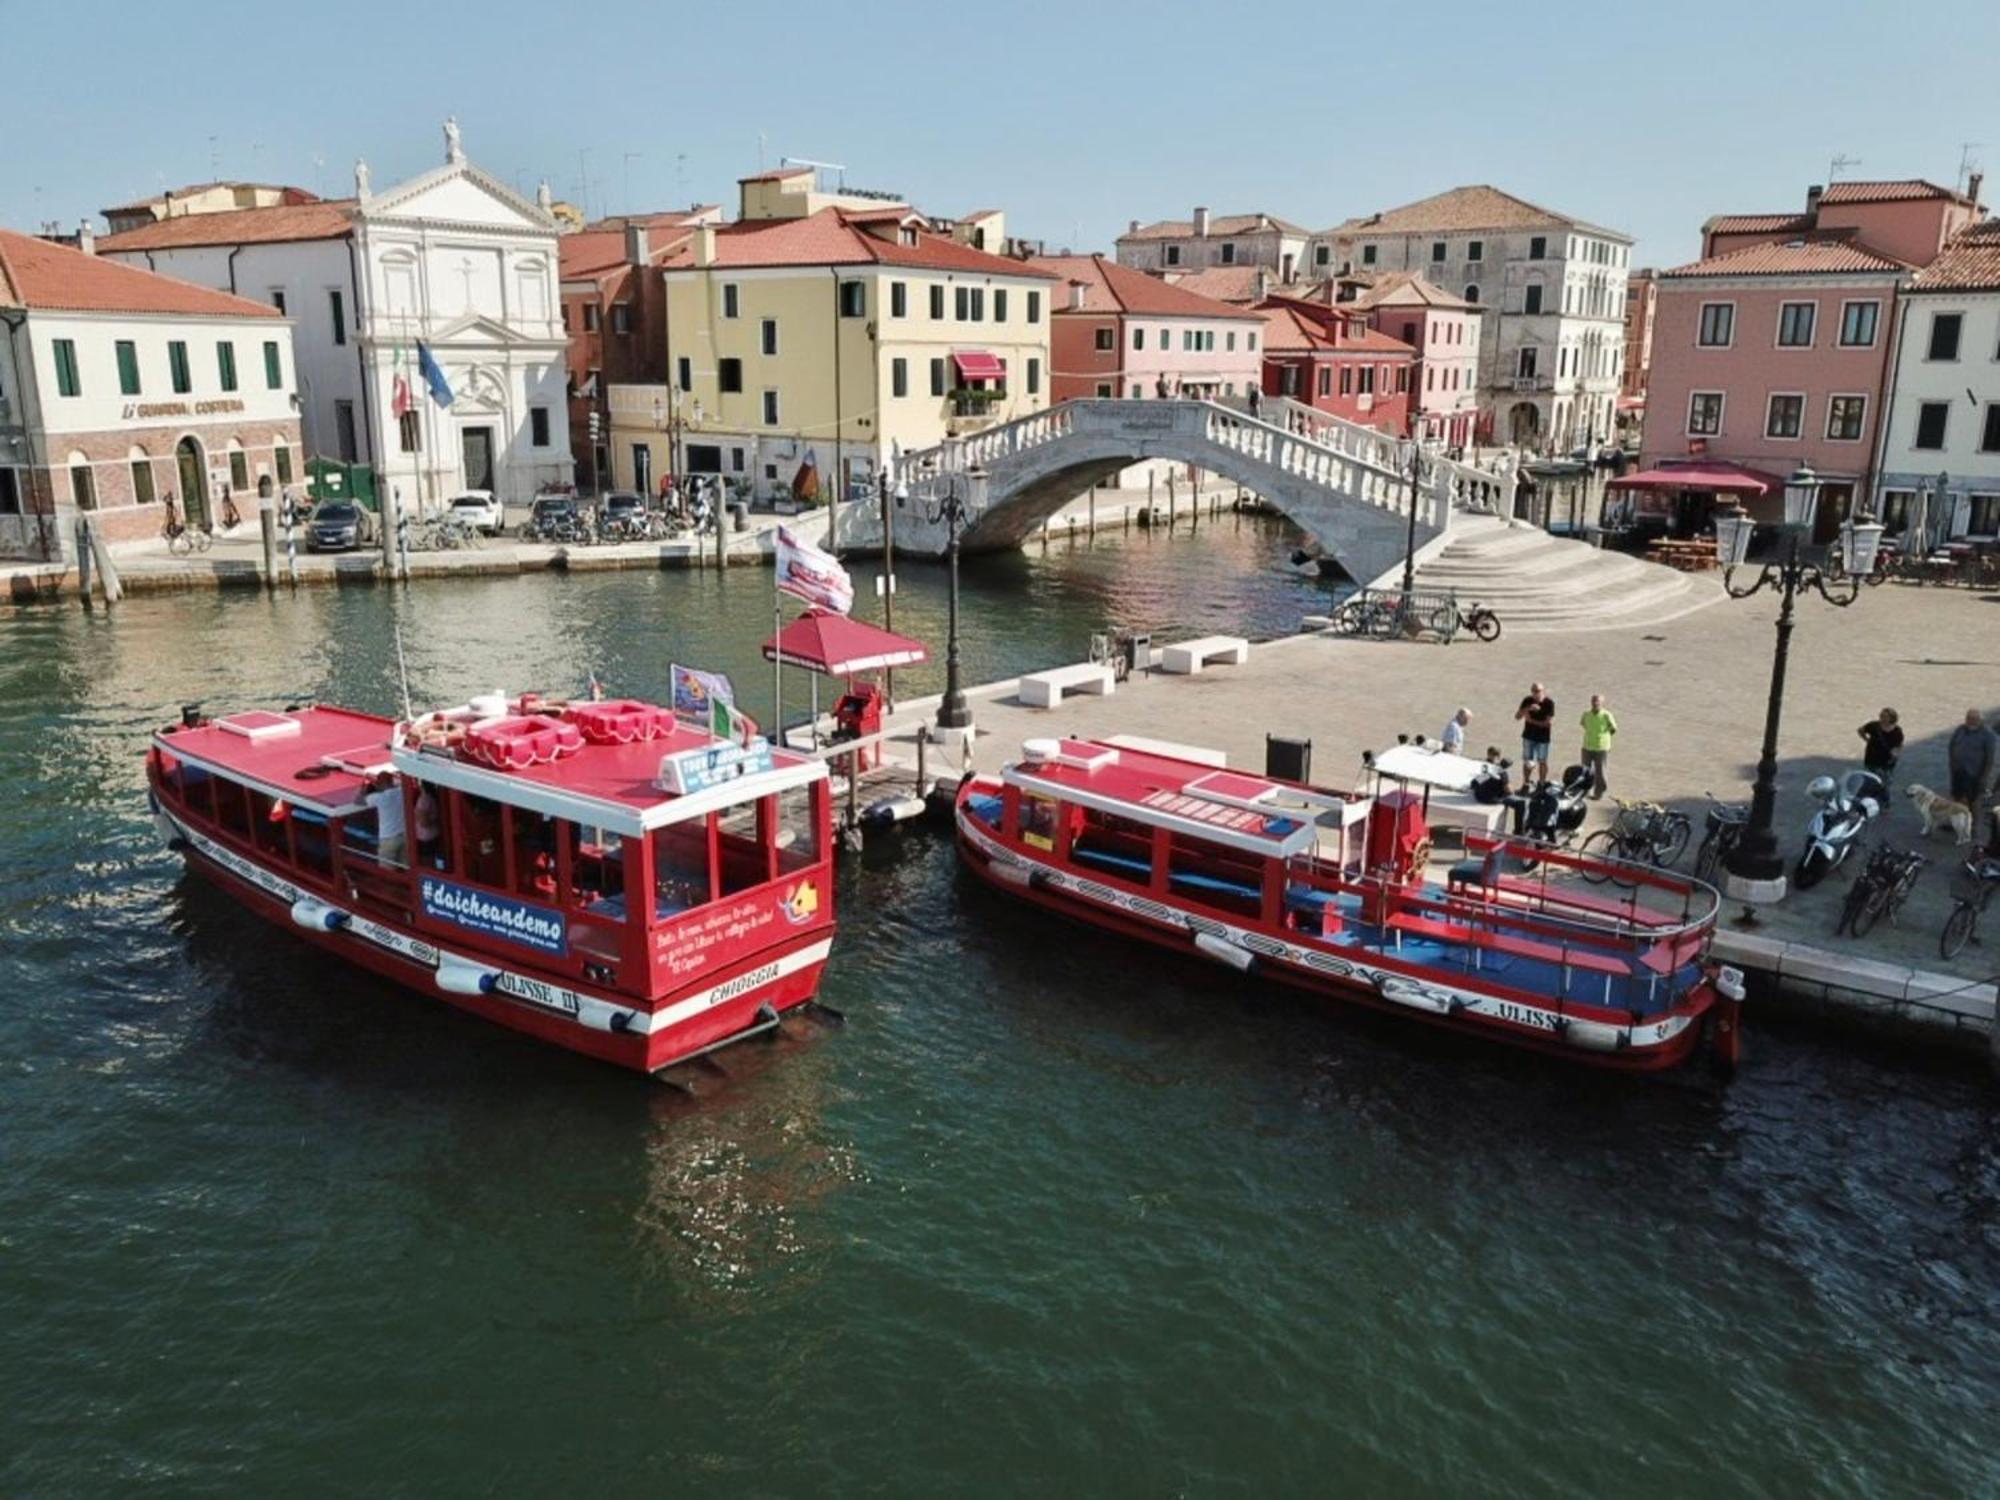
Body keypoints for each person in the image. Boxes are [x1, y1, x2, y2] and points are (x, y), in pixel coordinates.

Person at [1946, 709, 1996, 805]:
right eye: (1968, 718)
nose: (1971, 721)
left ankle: (1974, 819)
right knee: (1957, 796)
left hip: (1974, 774)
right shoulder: (1960, 729)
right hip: (1958, 772)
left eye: (1974, 719)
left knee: (1973, 801)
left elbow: (1989, 759)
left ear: (1980, 720)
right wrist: (1952, 764)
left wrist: (1984, 777)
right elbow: (1951, 746)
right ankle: (1958, 817)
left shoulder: (1987, 735)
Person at [1515, 682, 1556, 784]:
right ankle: (1526, 782)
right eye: (1533, 691)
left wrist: (1531, 721)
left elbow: (1548, 723)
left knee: (1542, 761)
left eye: (1537, 691)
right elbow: (1517, 717)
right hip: (1528, 736)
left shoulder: (1549, 703)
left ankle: (1541, 783)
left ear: (1543, 691)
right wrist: (1528, 708)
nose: (1535, 693)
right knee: (1527, 761)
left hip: (1543, 738)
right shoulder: (1527, 700)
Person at [1579, 694, 1618, 799]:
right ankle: (1585, 791)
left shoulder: (1607, 715)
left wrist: (1604, 737)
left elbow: (1613, 728)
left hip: (1601, 748)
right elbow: (1583, 724)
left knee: (1600, 771)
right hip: (1587, 746)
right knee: (1585, 770)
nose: (1595, 704)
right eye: (1594, 701)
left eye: (1598, 702)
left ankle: (1599, 792)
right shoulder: (1586, 714)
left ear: (1602, 703)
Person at [365, 772, 407, 867]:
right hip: (404, 835)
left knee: (387, 870)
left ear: (380, 784)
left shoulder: (379, 798)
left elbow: (360, 801)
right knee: (405, 867)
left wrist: (370, 785)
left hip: (387, 838)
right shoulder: (401, 792)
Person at [1857, 708, 1904, 785]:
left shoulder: (1897, 731)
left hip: (1886, 762)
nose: (1882, 718)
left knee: (1884, 784)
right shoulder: (1873, 726)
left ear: (1891, 718)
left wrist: (1896, 753)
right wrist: (1866, 739)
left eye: (1885, 716)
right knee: (1869, 782)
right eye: (1881, 715)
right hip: (1871, 759)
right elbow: (1861, 730)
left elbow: (1899, 744)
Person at [413, 784, 442, 867]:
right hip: (432, 835)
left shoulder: (424, 799)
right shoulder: (432, 797)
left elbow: (423, 822)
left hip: (426, 837)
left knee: (428, 863)